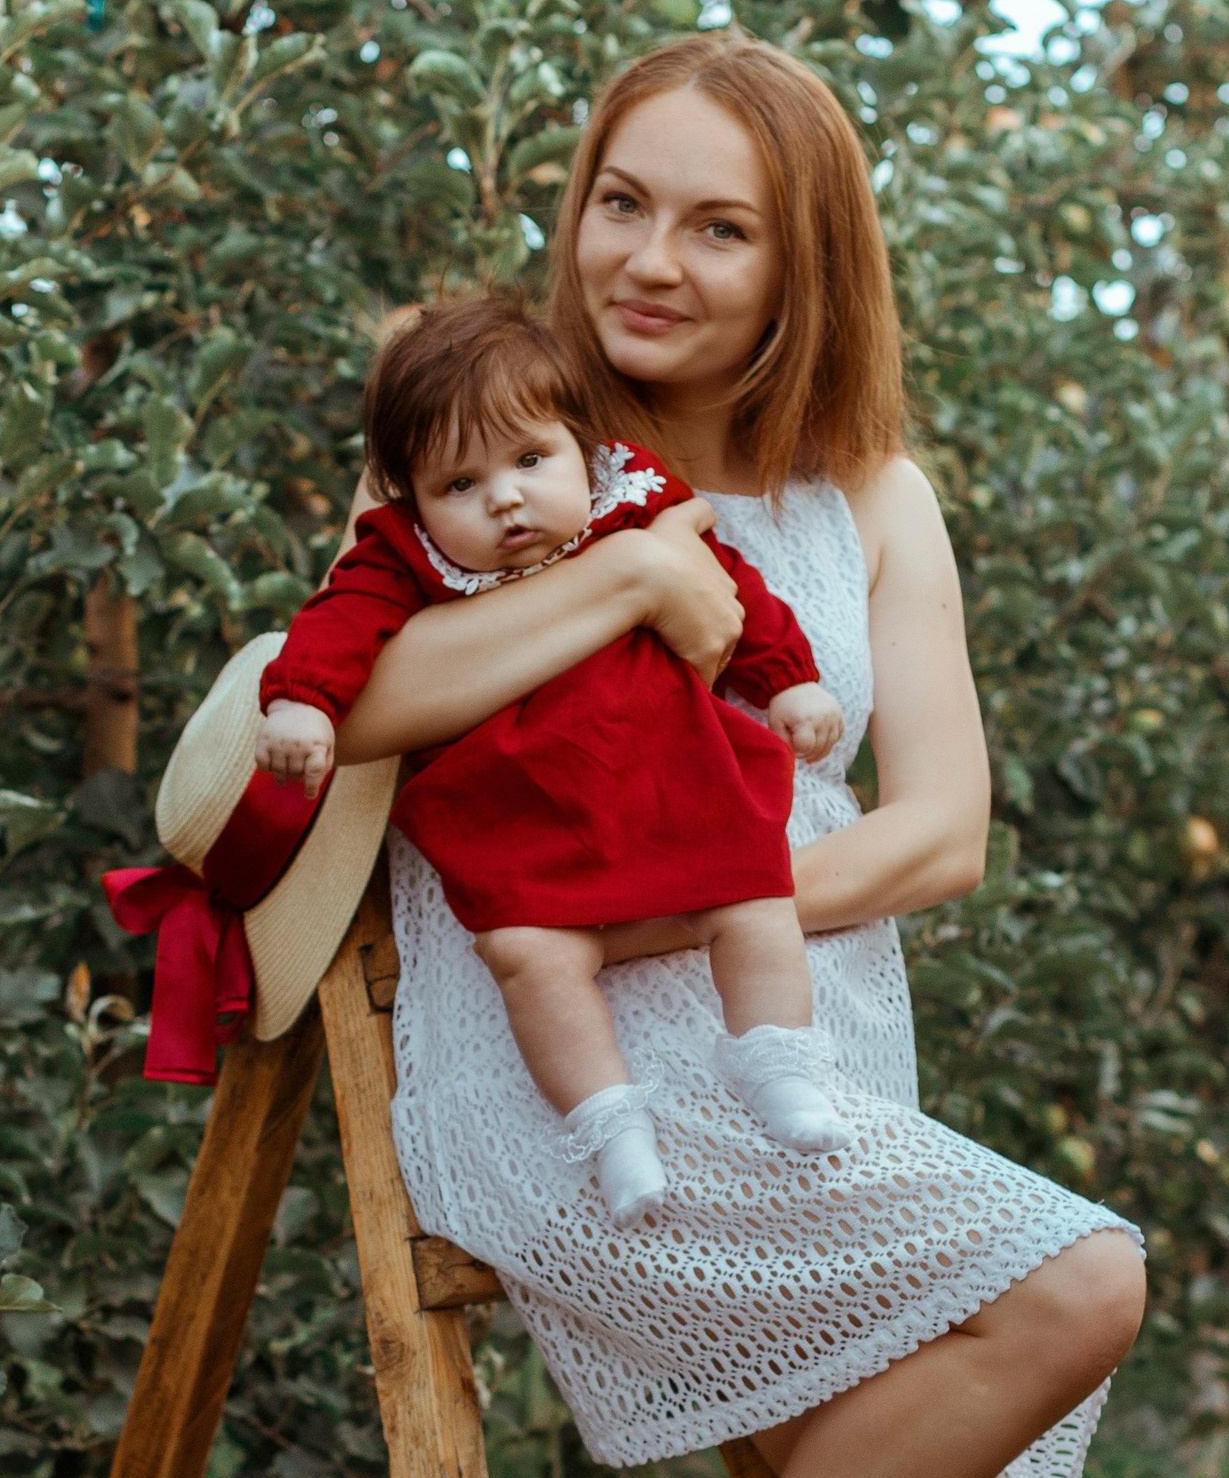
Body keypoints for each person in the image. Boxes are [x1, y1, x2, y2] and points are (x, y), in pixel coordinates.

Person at [331, 34, 1146, 1478]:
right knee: (1078, 1285)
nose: (651, 260)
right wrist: (624, 584)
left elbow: (939, 830)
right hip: (586, 1095)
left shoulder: (867, 495)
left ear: (802, 268)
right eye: (621, 199)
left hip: (795, 1064)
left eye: (716, 225)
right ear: (568, 202)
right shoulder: (493, 449)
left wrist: (682, 881)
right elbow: (346, 712)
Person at [256, 287, 851, 1227]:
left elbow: (735, 587)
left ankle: (777, 1056)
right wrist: (303, 699)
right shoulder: (402, 555)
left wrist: (789, 681)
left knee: (753, 898)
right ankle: (609, 1125)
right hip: (518, 808)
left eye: (532, 459)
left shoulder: (631, 502)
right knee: (531, 957)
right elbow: (339, 623)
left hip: (669, 778)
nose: (505, 498)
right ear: (410, 494)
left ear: (583, 444)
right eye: (460, 484)